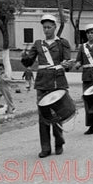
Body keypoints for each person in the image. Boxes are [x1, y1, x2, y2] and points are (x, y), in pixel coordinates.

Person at [21, 14, 72, 158]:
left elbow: (67, 63)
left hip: (58, 82)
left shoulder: (62, 43)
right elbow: (28, 63)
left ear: (55, 27)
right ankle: (45, 147)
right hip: (42, 83)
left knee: (57, 114)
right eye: (44, 27)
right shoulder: (38, 44)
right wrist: (24, 57)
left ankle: (59, 143)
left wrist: (67, 64)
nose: (47, 30)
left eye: (49, 27)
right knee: (43, 116)